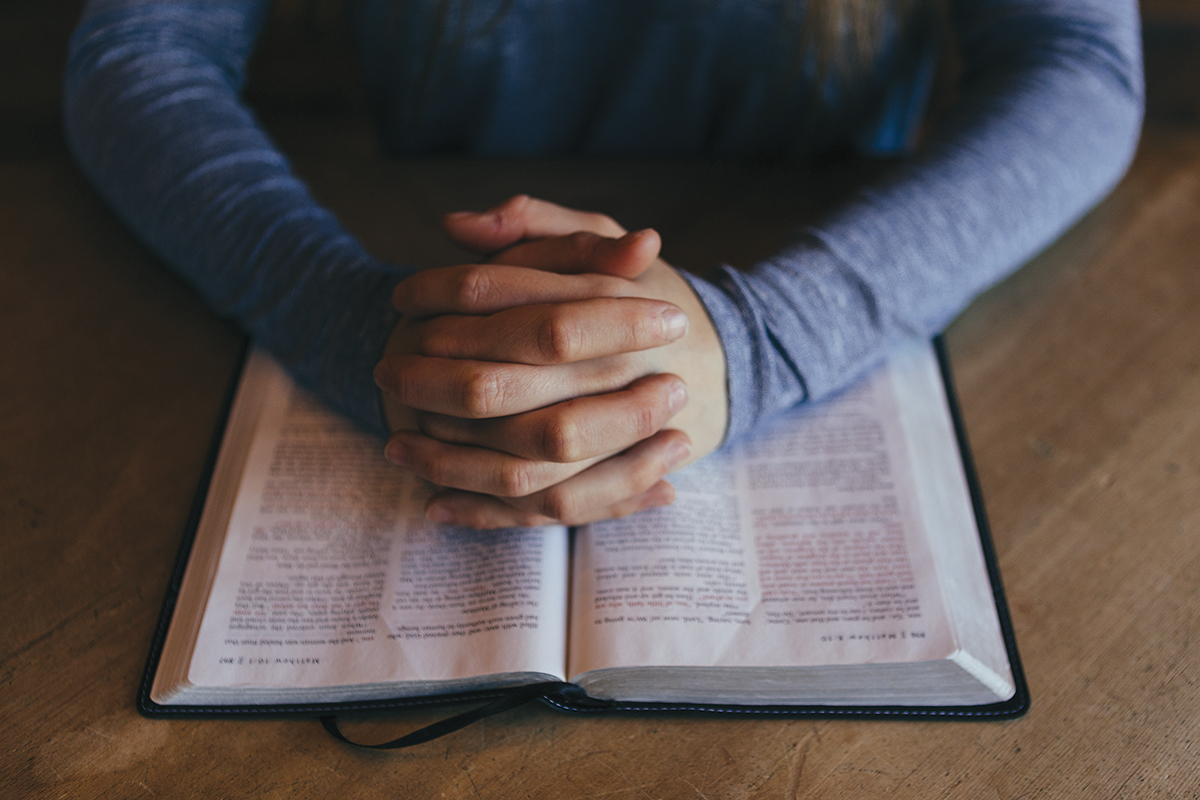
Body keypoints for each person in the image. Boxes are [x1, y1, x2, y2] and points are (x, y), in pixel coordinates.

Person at [64, 0, 1144, 528]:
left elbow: (1080, 65)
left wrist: (759, 338)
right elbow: (135, 51)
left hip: (827, 248)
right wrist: (365, 327)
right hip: (435, 258)